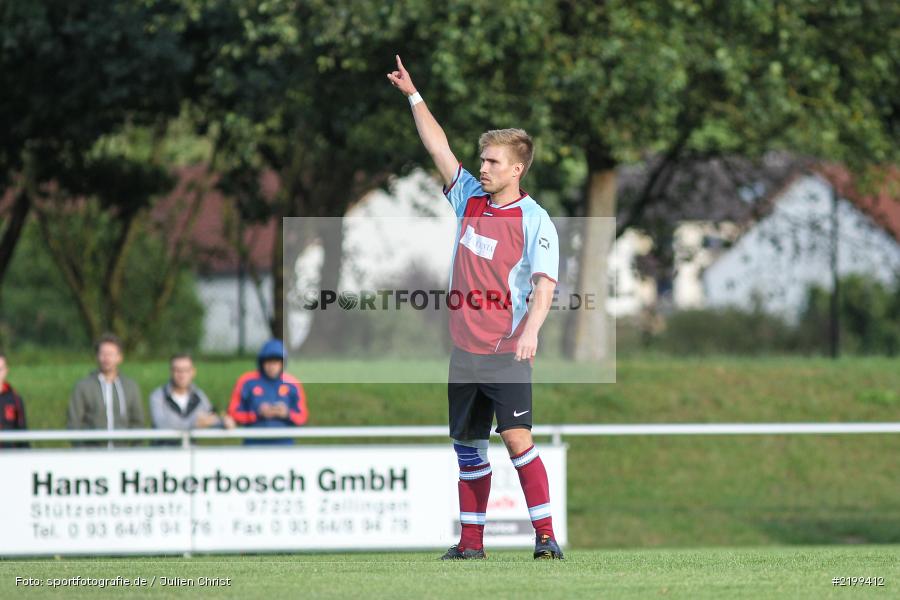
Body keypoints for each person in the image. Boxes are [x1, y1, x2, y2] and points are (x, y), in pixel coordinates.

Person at [388, 55, 563, 560]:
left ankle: (546, 538)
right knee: (468, 448)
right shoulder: (468, 198)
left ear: (517, 167)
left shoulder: (535, 220)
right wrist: (414, 96)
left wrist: (531, 331)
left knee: (515, 439)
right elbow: (438, 146)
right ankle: (470, 545)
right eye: (481, 160)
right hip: (464, 349)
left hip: (507, 349)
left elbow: (545, 284)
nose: (481, 167)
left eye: (491, 161)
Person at [68, 334, 144, 447]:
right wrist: (81, 450)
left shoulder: (130, 386)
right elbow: (74, 423)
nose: (106, 358)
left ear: (119, 357)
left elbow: (137, 422)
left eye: (111, 354)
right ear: (97, 356)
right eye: (103, 354)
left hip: (123, 455)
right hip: (92, 455)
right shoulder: (82, 386)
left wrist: (134, 450)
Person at [228, 339, 308, 445]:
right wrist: (257, 414)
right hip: (254, 444)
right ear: (262, 362)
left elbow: (302, 416)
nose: (272, 366)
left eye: (276, 362)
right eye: (268, 361)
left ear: (283, 363)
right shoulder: (247, 382)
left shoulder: (292, 384)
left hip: (284, 444)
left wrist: (286, 414)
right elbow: (233, 413)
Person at [148, 353, 235, 444]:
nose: (181, 375)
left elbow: (210, 417)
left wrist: (223, 423)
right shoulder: (158, 396)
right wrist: (194, 424)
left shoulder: (199, 395)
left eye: (185, 370)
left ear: (193, 372)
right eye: (177, 370)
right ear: (171, 371)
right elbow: (161, 425)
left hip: (191, 454)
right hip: (163, 454)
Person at [0, 352, 28, 449]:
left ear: (6, 370)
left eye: (0, 369)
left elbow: (22, 432)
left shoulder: (15, 399)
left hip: (9, 457)